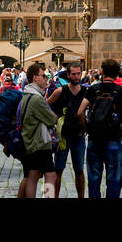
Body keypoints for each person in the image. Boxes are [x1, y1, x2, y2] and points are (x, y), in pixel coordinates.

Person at [79, 56, 122, 199]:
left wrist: (86, 129)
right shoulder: (120, 90)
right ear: (117, 74)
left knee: (94, 178)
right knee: (114, 179)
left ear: (102, 72)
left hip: (94, 138)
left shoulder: (93, 89)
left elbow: (80, 112)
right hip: (114, 139)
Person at [16, 63, 57, 199]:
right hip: (40, 143)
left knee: (32, 175)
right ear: (35, 78)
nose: (46, 79)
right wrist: (54, 117)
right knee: (51, 176)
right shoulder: (36, 99)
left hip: (29, 142)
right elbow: (51, 120)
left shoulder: (27, 95)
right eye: (43, 76)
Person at [48, 62, 87, 198]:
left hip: (79, 135)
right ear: (68, 75)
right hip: (62, 136)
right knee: (58, 170)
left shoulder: (85, 92)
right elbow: (46, 105)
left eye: (78, 74)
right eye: (74, 74)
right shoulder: (60, 91)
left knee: (79, 170)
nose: (77, 77)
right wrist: (53, 116)